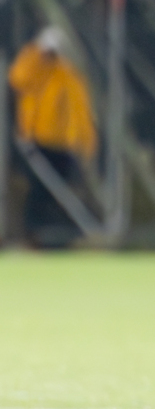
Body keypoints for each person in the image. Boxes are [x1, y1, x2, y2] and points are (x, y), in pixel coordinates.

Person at [8, 26, 97, 248]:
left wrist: (86, 143)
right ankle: (32, 235)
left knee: (62, 192)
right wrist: (35, 52)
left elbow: (80, 112)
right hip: (36, 142)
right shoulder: (35, 70)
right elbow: (17, 78)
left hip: (62, 144)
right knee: (37, 191)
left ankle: (59, 237)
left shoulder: (68, 75)